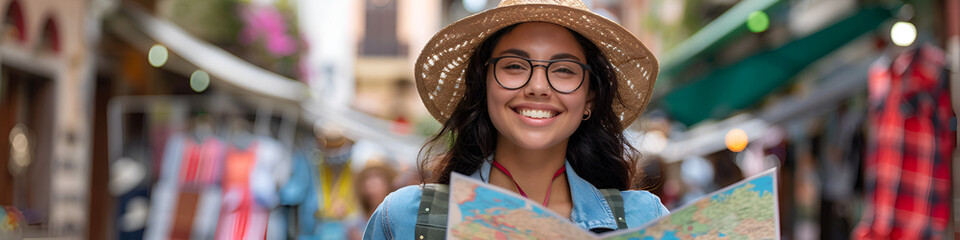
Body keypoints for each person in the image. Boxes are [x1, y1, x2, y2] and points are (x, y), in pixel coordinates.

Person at [364, 0, 667, 238]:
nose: (537, 87)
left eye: (564, 70)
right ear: (483, 85)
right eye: (514, 66)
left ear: (589, 98)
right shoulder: (404, 220)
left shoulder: (645, 220)